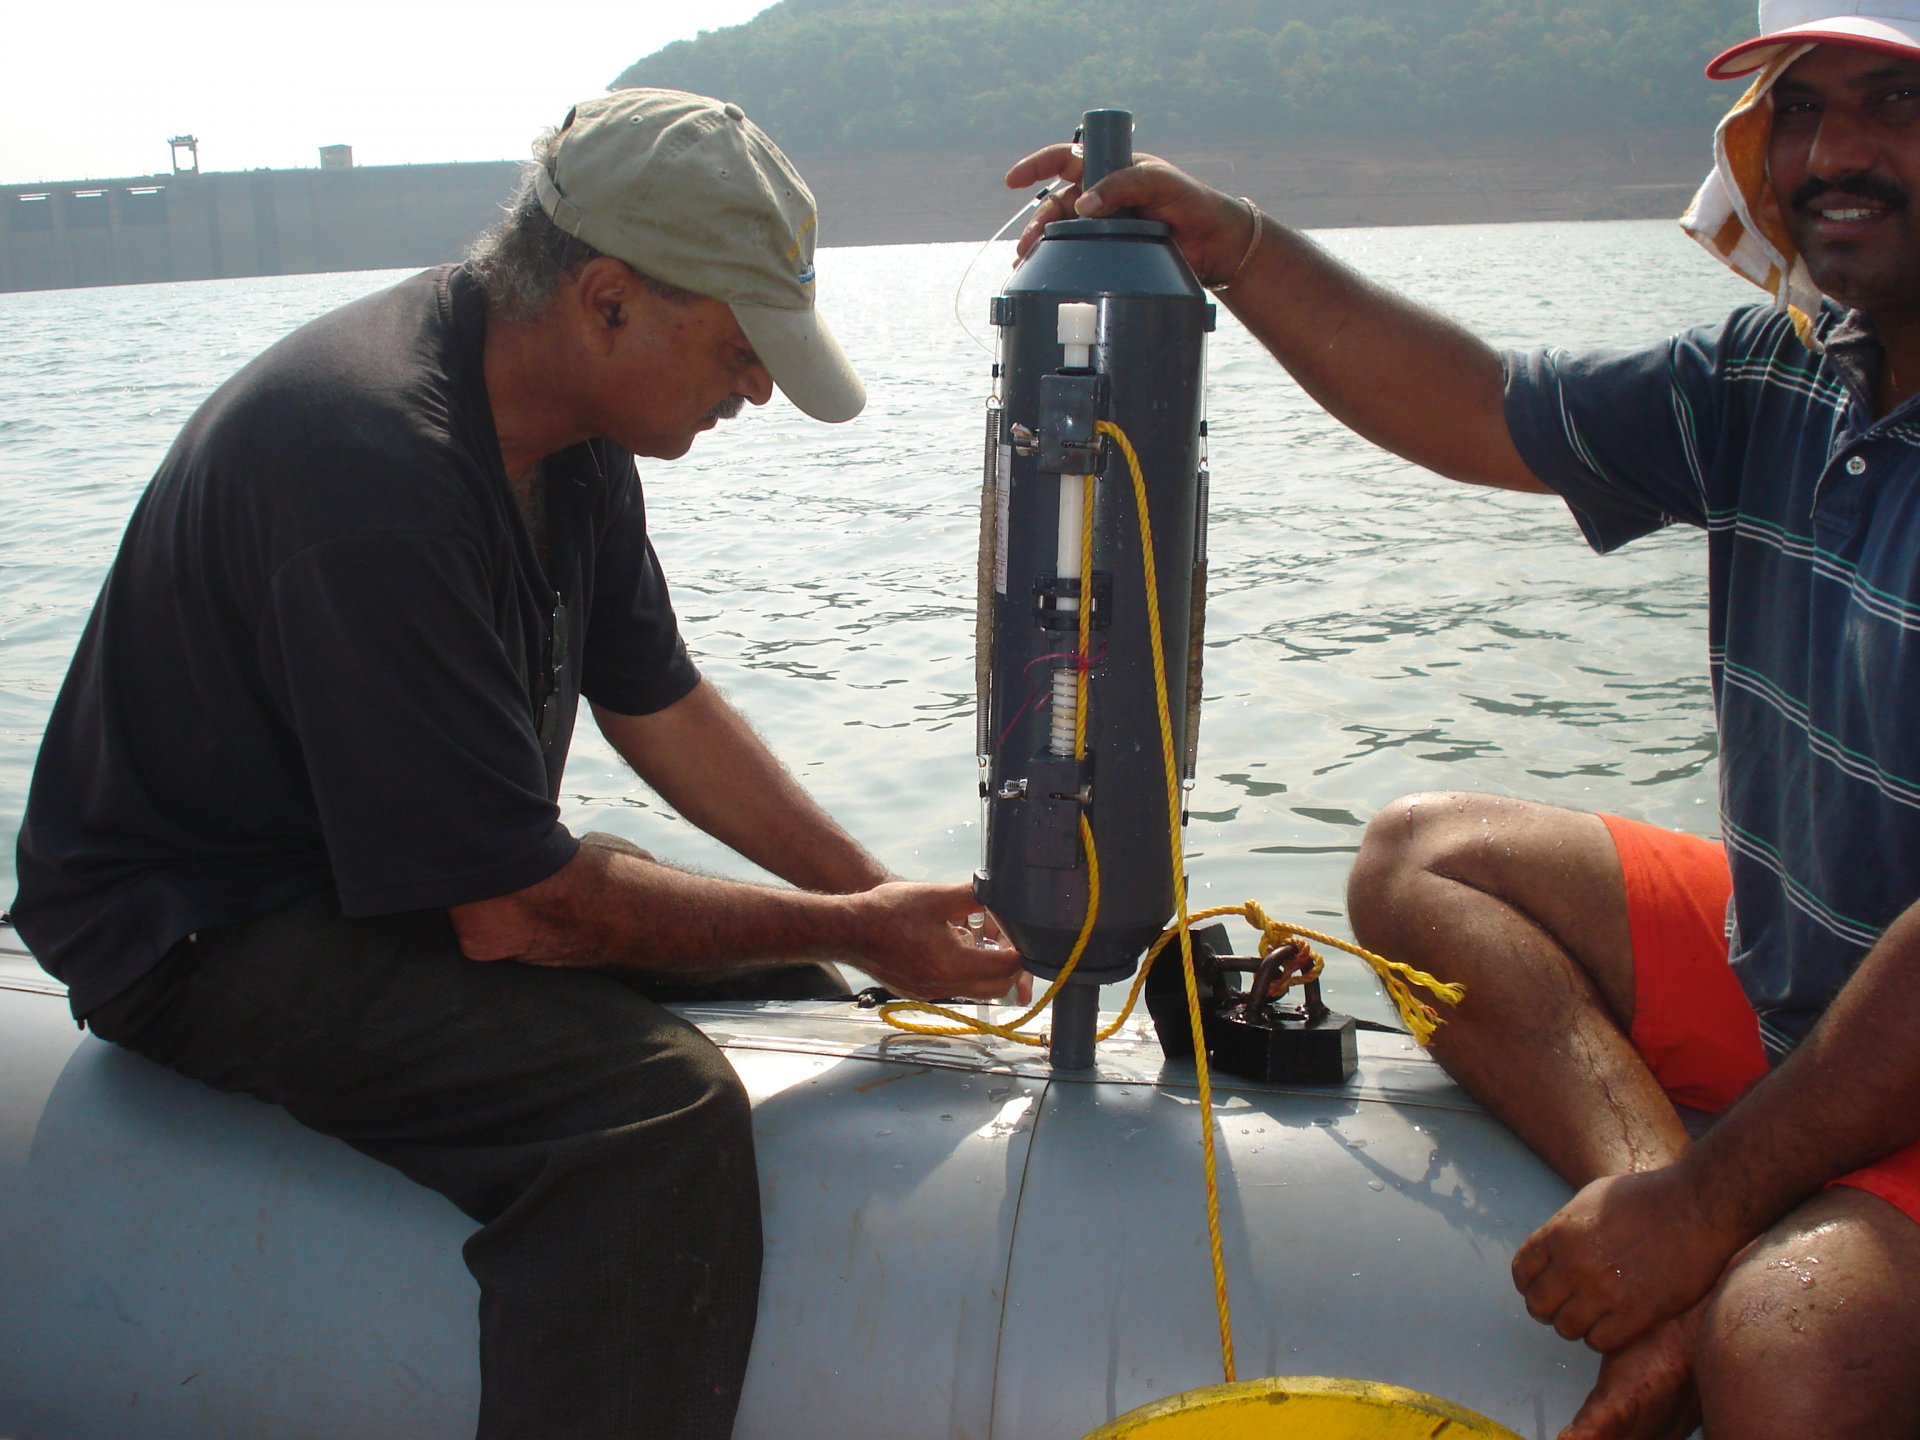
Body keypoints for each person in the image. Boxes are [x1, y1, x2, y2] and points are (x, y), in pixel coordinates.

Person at [8, 89, 1019, 1439]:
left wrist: (878, 904)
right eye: (738, 347)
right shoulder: (374, 461)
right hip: (196, 922)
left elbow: (658, 703)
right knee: (652, 1120)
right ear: (605, 298)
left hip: (380, 873)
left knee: (787, 969)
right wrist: (859, 926)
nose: (760, 387)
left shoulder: (571, 431)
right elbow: (516, 910)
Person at [1009, 3, 1920, 1437]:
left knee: (1792, 1352)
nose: (1835, 152)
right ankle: (1663, 1251)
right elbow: (1483, 407)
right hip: (1808, 991)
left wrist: (1708, 1202)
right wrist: (1233, 244)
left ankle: (1698, 1245)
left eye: (1894, 106)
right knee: (1424, 860)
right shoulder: (1780, 376)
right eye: (1802, 111)